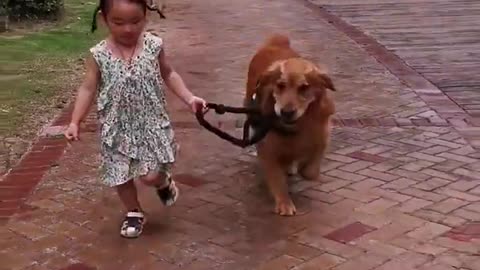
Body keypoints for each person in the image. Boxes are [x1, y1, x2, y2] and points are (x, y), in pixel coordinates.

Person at [64, 0, 207, 238]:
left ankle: (162, 181)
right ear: (104, 19)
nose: (128, 29)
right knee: (120, 174)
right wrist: (74, 121)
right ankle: (134, 212)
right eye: (118, 22)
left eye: (135, 21)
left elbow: (169, 73)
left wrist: (189, 98)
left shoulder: (153, 46)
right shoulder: (99, 54)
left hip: (152, 124)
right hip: (116, 128)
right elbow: (87, 89)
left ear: (145, 18)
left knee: (150, 175)